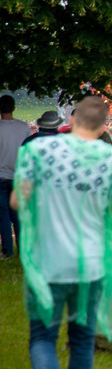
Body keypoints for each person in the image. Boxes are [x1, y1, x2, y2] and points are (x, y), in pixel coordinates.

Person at [13, 96, 112, 369]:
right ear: (102, 128)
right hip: (91, 263)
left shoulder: (41, 150)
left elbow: (17, 200)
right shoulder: (111, 159)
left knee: (43, 338)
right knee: (82, 341)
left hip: (48, 260)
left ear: (71, 120)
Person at [0, 94, 31, 259]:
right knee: (18, 216)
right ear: (13, 108)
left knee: (3, 215)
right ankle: (23, 248)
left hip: (1, 176)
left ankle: (7, 250)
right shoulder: (23, 127)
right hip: (18, 176)